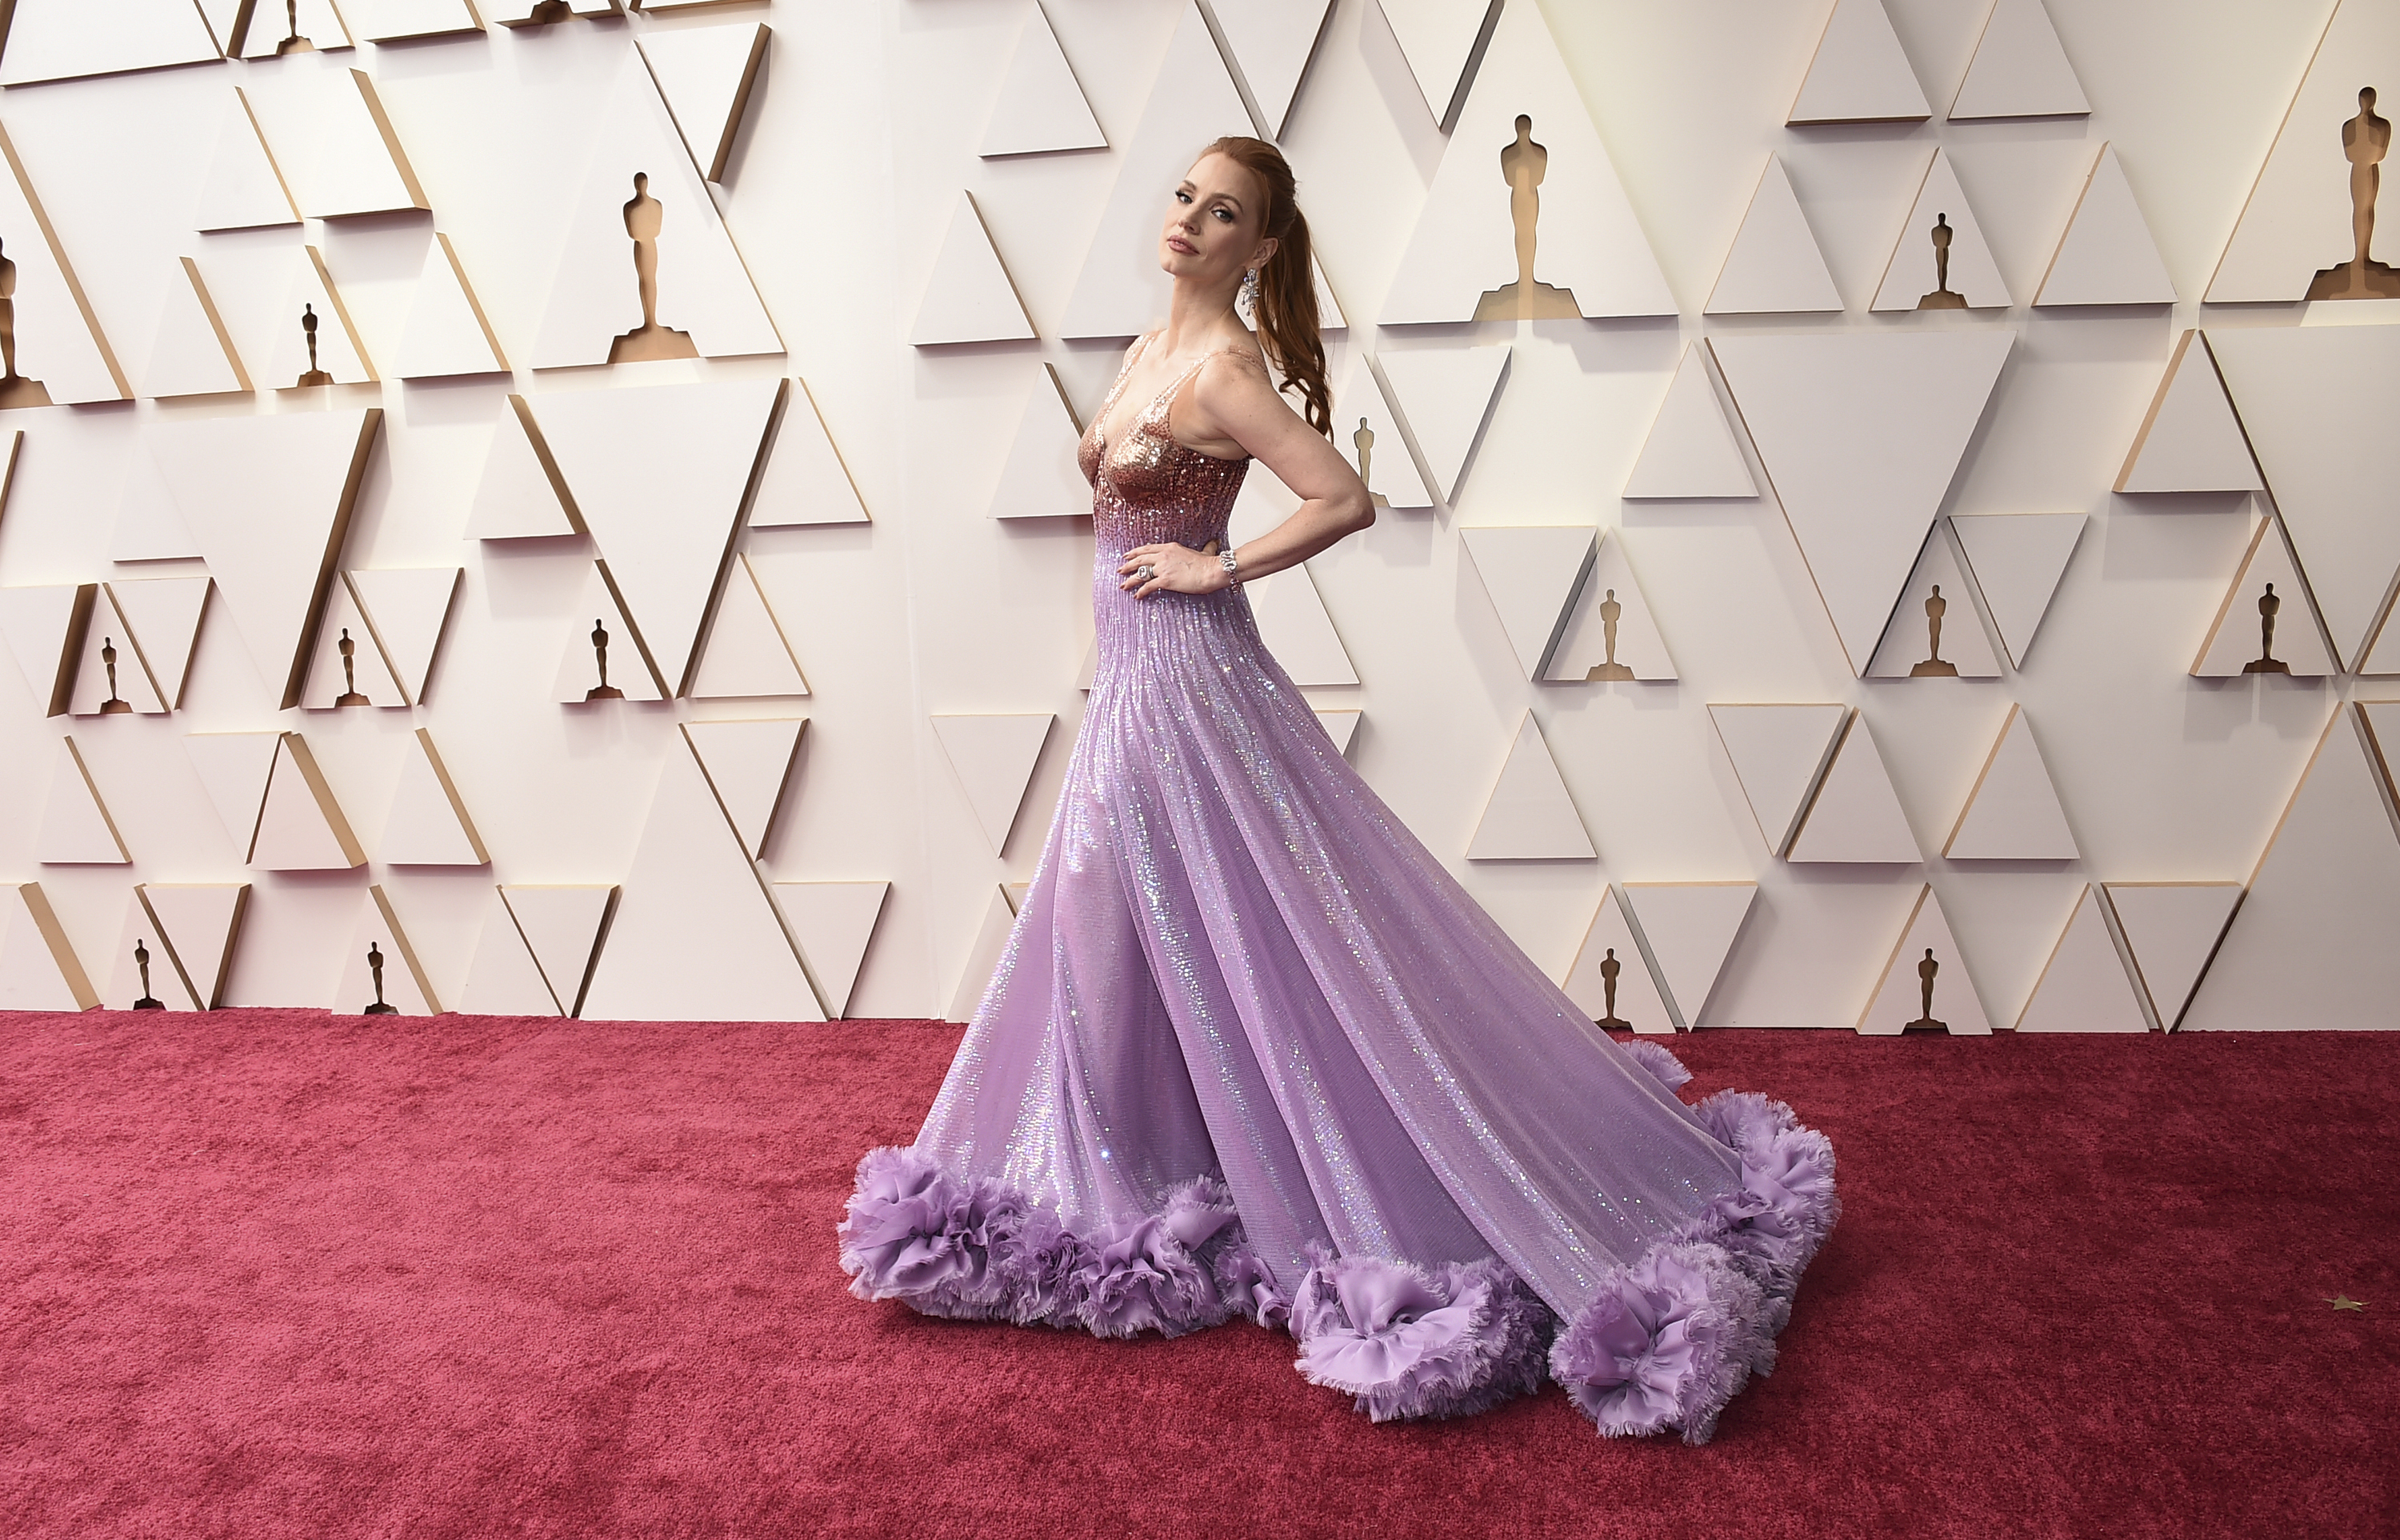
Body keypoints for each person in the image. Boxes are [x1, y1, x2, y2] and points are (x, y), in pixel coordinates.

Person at [838, 138, 1836, 1445]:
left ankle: (1206, 1172)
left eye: (1227, 214)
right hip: (1135, 692)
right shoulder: (1152, 349)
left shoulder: (1225, 371)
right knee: (1130, 939)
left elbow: (1343, 494)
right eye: (1189, 197)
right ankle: (1139, 1173)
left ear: (1260, 249)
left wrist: (1218, 569)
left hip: (1186, 687)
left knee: (1213, 936)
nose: (1193, 220)